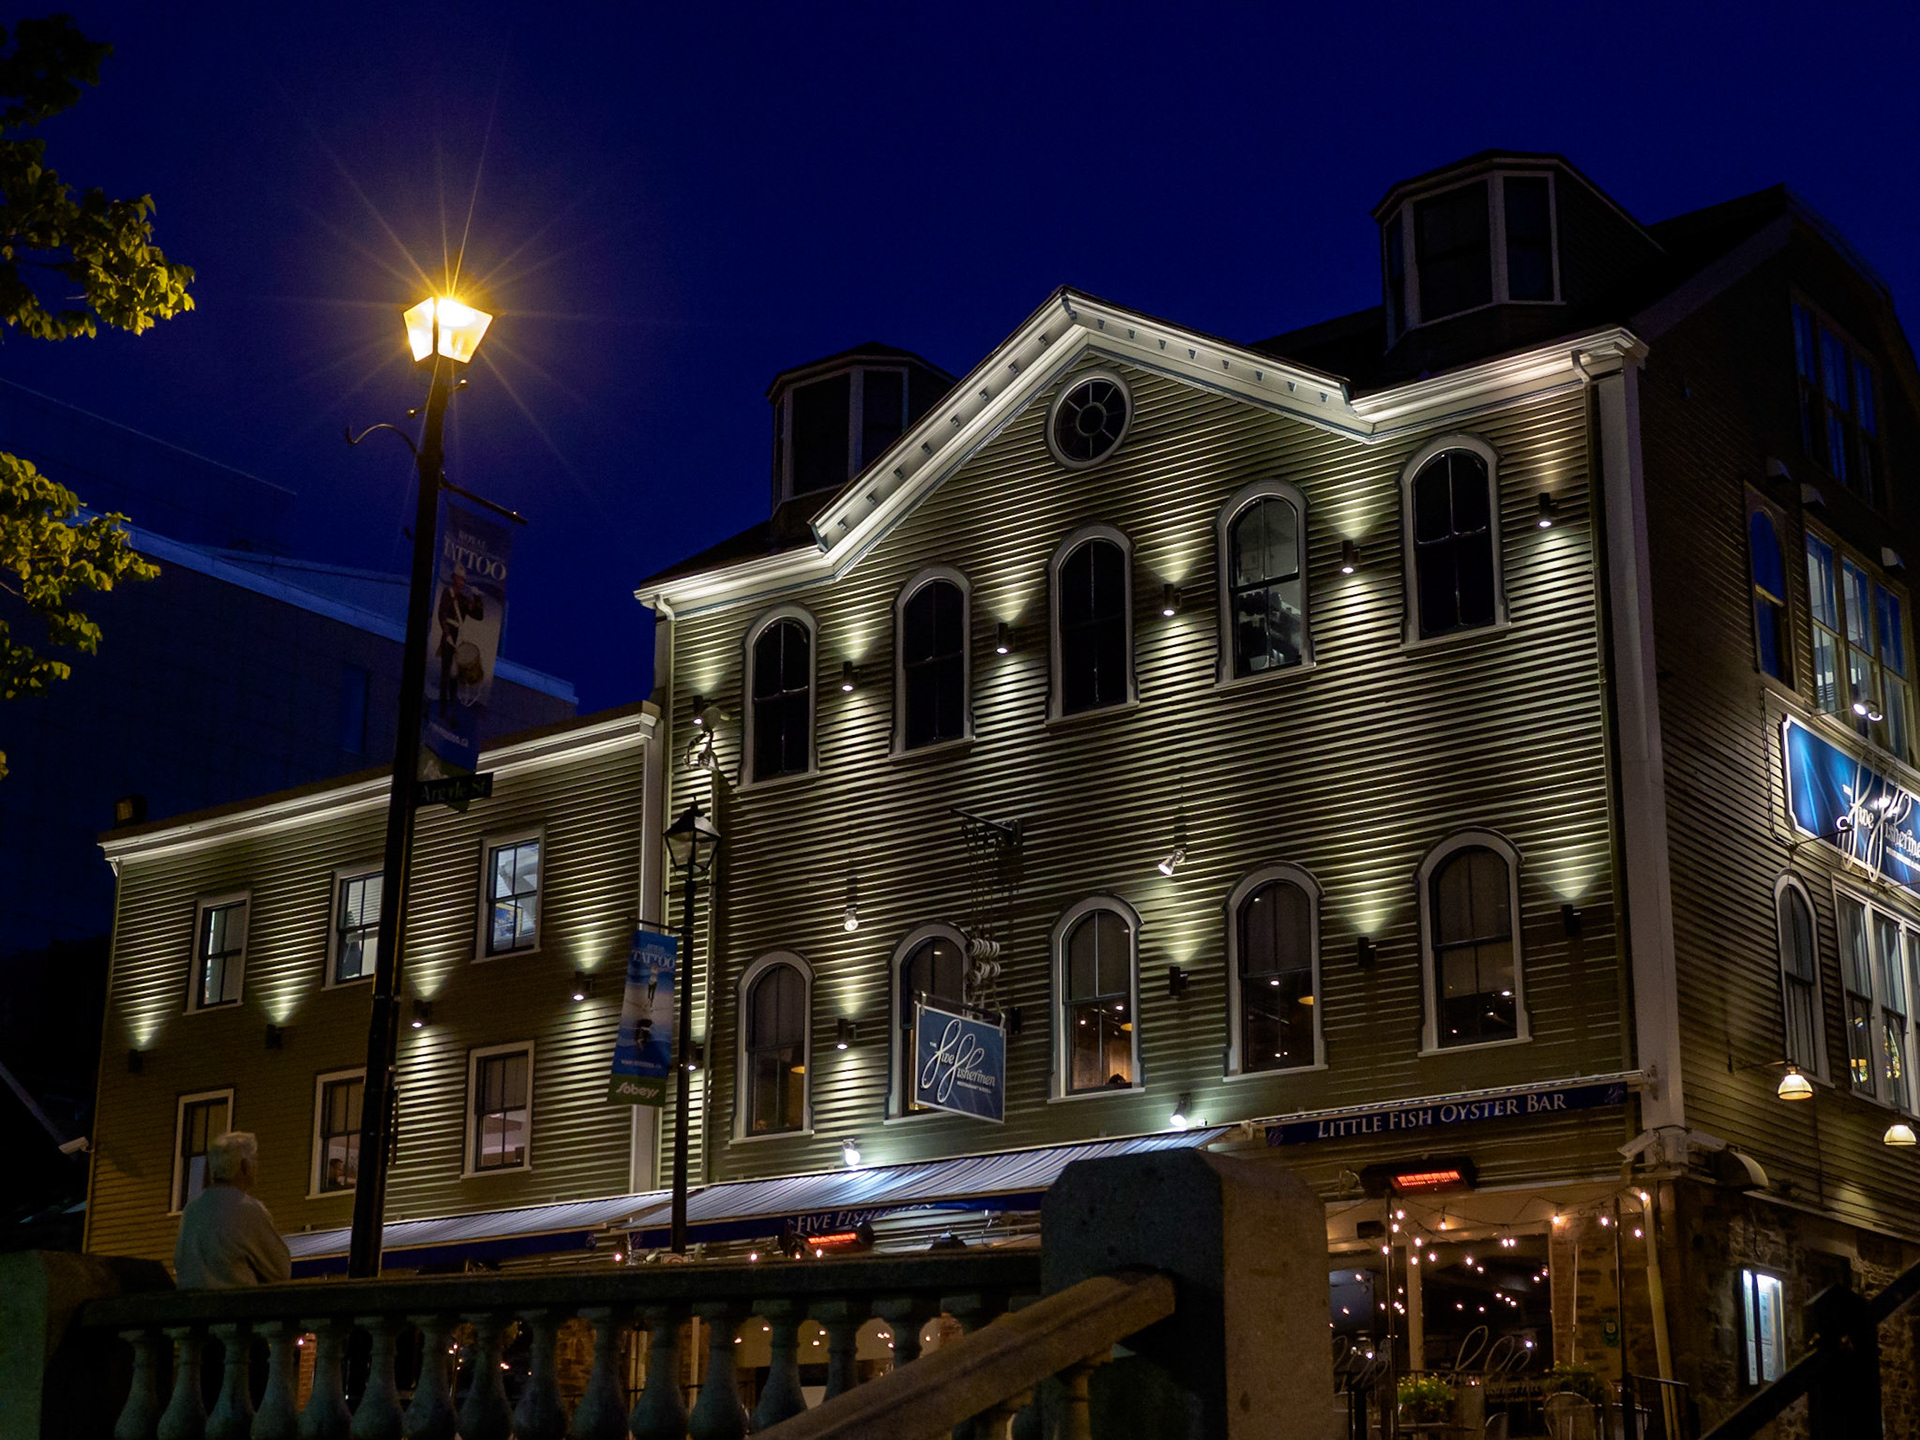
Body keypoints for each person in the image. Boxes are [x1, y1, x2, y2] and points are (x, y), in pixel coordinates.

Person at [173, 1131, 292, 1288]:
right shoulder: (247, 1210)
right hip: (235, 1307)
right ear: (245, 1165)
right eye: (255, 1160)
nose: (257, 1167)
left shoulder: (191, 1211)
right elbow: (280, 1270)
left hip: (193, 1308)